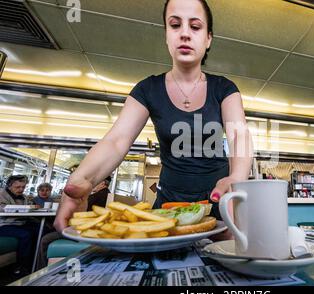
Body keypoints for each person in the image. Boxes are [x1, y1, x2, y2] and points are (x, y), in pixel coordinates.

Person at [54, 0, 253, 233]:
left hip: (221, 200)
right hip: (168, 206)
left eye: (196, 27)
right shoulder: (147, 89)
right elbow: (116, 141)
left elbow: (239, 135)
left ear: (208, 38)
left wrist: (237, 177)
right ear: (166, 35)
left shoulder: (224, 88)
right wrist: (82, 182)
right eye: (175, 25)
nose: (185, 34)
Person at [35, 176, 112, 270]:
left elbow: (78, 214)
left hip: (84, 230)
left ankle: (40, 271)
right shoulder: (106, 194)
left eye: (96, 182)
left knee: (45, 239)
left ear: (103, 183)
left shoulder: (94, 197)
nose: (93, 185)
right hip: (90, 229)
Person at [0, 175, 38, 276]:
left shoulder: (23, 197)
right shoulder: (1, 194)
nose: (21, 189)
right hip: (3, 225)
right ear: (9, 186)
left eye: (23, 187)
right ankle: (20, 266)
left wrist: (32, 206)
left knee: (40, 229)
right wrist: (25, 207)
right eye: (18, 187)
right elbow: (2, 208)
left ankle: (34, 262)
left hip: (19, 223)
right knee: (25, 235)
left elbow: (29, 206)